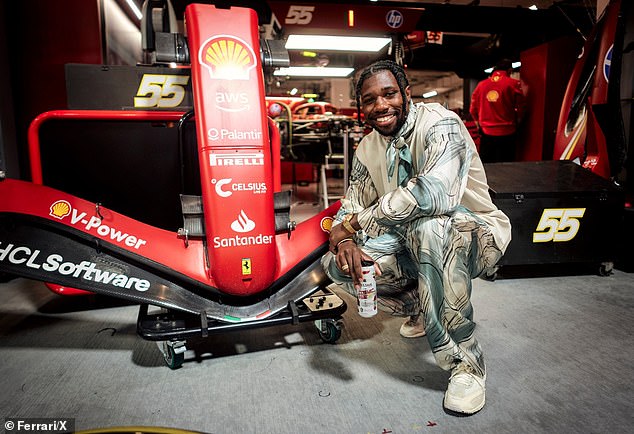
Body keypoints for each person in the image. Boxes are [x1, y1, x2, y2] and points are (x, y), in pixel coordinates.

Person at [321, 60, 511, 415]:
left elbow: (434, 194)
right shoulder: (367, 148)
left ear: (406, 94)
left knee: (433, 226)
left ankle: (466, 365)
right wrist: (344, 237)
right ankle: (421, 307)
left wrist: (357, 222)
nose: (380, 105)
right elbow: (351, 206)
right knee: (335, 264)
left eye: (389, 93)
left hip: (472, 233)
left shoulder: (441, 124)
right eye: (370, 99)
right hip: (409, 238)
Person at [469, 59, 526, 162]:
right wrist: (519, 121)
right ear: (509, 70)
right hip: (508, 131)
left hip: (486, 132)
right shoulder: (514, 83)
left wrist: (478, 123)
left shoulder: (481, 85)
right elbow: (521, 107)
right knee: (506, 165)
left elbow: (473, 108)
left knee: (488, 164)